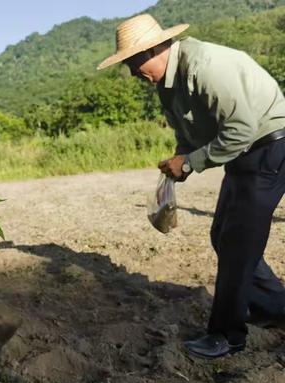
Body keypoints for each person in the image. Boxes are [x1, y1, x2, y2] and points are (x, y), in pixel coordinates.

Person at [97, 14, 285, 359]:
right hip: (246, 154)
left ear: (155, 48)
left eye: (134, 61)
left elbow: (241, 130)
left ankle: (227, 335)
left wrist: (190, 162)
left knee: (238, 245)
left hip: (269, 147)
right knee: (223, 236)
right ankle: (275, 308)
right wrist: (180, 160)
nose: (131, 72)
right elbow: (187, 134)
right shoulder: (167, 85)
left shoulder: (206, 66)